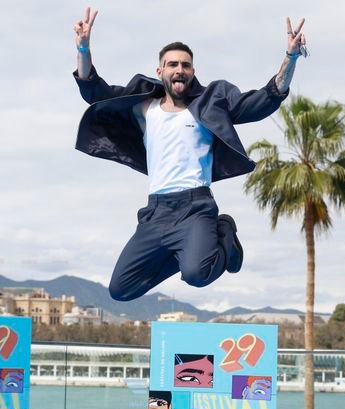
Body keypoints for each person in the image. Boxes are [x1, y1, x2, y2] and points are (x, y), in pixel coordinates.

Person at [73, 7, 306, 301]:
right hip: (156, 211)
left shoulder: (211, 103)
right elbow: (94, 92)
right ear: (160, 72)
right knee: (121, 289)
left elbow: (262, 100)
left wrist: (290, 57)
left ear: (193, 72)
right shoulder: (143, 107)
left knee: (197, 274)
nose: (179, 69)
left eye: (185, 64)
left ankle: (223, 232)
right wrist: (83, 49)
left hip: (195, 207)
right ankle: (186, 253)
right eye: (172, 64)